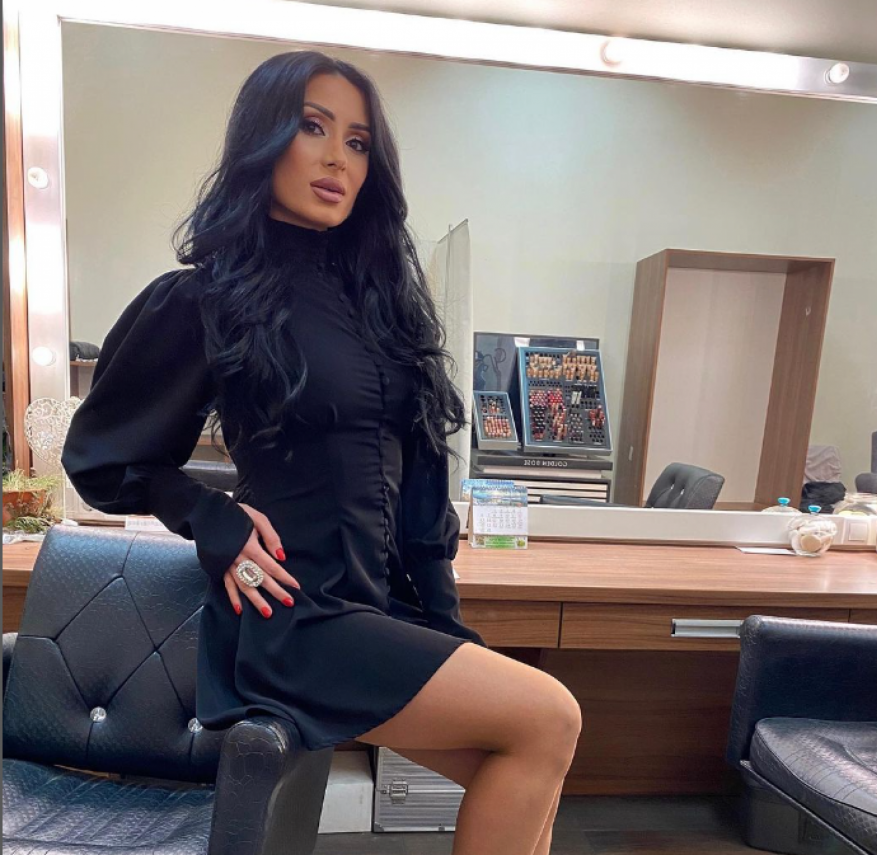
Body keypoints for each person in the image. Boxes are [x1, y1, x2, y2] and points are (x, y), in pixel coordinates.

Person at [61, 50, 581, 854]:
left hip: (380, 607)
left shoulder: (385, 306)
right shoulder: (207, 297)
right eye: (314, 128)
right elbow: (101, 457)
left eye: (359, 142)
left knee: (525, 752)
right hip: (294, 611)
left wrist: (444, 627)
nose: (339, 158)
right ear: (265, 139)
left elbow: (421, 500)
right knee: (551, 715)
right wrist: (213, 517)